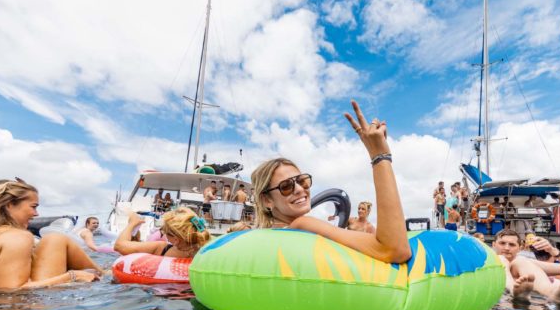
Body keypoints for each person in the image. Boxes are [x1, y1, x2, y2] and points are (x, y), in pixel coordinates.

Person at [250, 101, 411, 264]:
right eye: (286, 186)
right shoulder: (302, 224)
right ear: (267, 200)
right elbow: (395, 250)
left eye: (302, 181)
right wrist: (380, 155)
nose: (299, 189)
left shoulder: (265, 236)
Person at [0, 179, 102, 289]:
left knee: (55, 240)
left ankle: (104, 273)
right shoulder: (17, 237)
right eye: (33, 206)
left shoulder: (2, 234)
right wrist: (72, 276)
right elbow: (12, 292)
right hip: (23, 303)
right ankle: (105, 275)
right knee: (56, 240)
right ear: (10, 205)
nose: (36, 214)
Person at [492, 228, 560, 303]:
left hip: (531, 301)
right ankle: (512, 289)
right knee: (501, 259)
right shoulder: (486, 262)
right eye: (502, 243)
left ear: (520, 248)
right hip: (505, 299)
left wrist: (552, 250)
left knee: (520, 261)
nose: (507, 248)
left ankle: (553, 295)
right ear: (493, 245)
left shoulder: (525, 262)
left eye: (512, 245)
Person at [114, 207, 210, 258]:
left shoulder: (160, 248)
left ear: (176, 240)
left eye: (164, 231)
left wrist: (132, 223)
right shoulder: (206, 252)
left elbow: (119, 246)